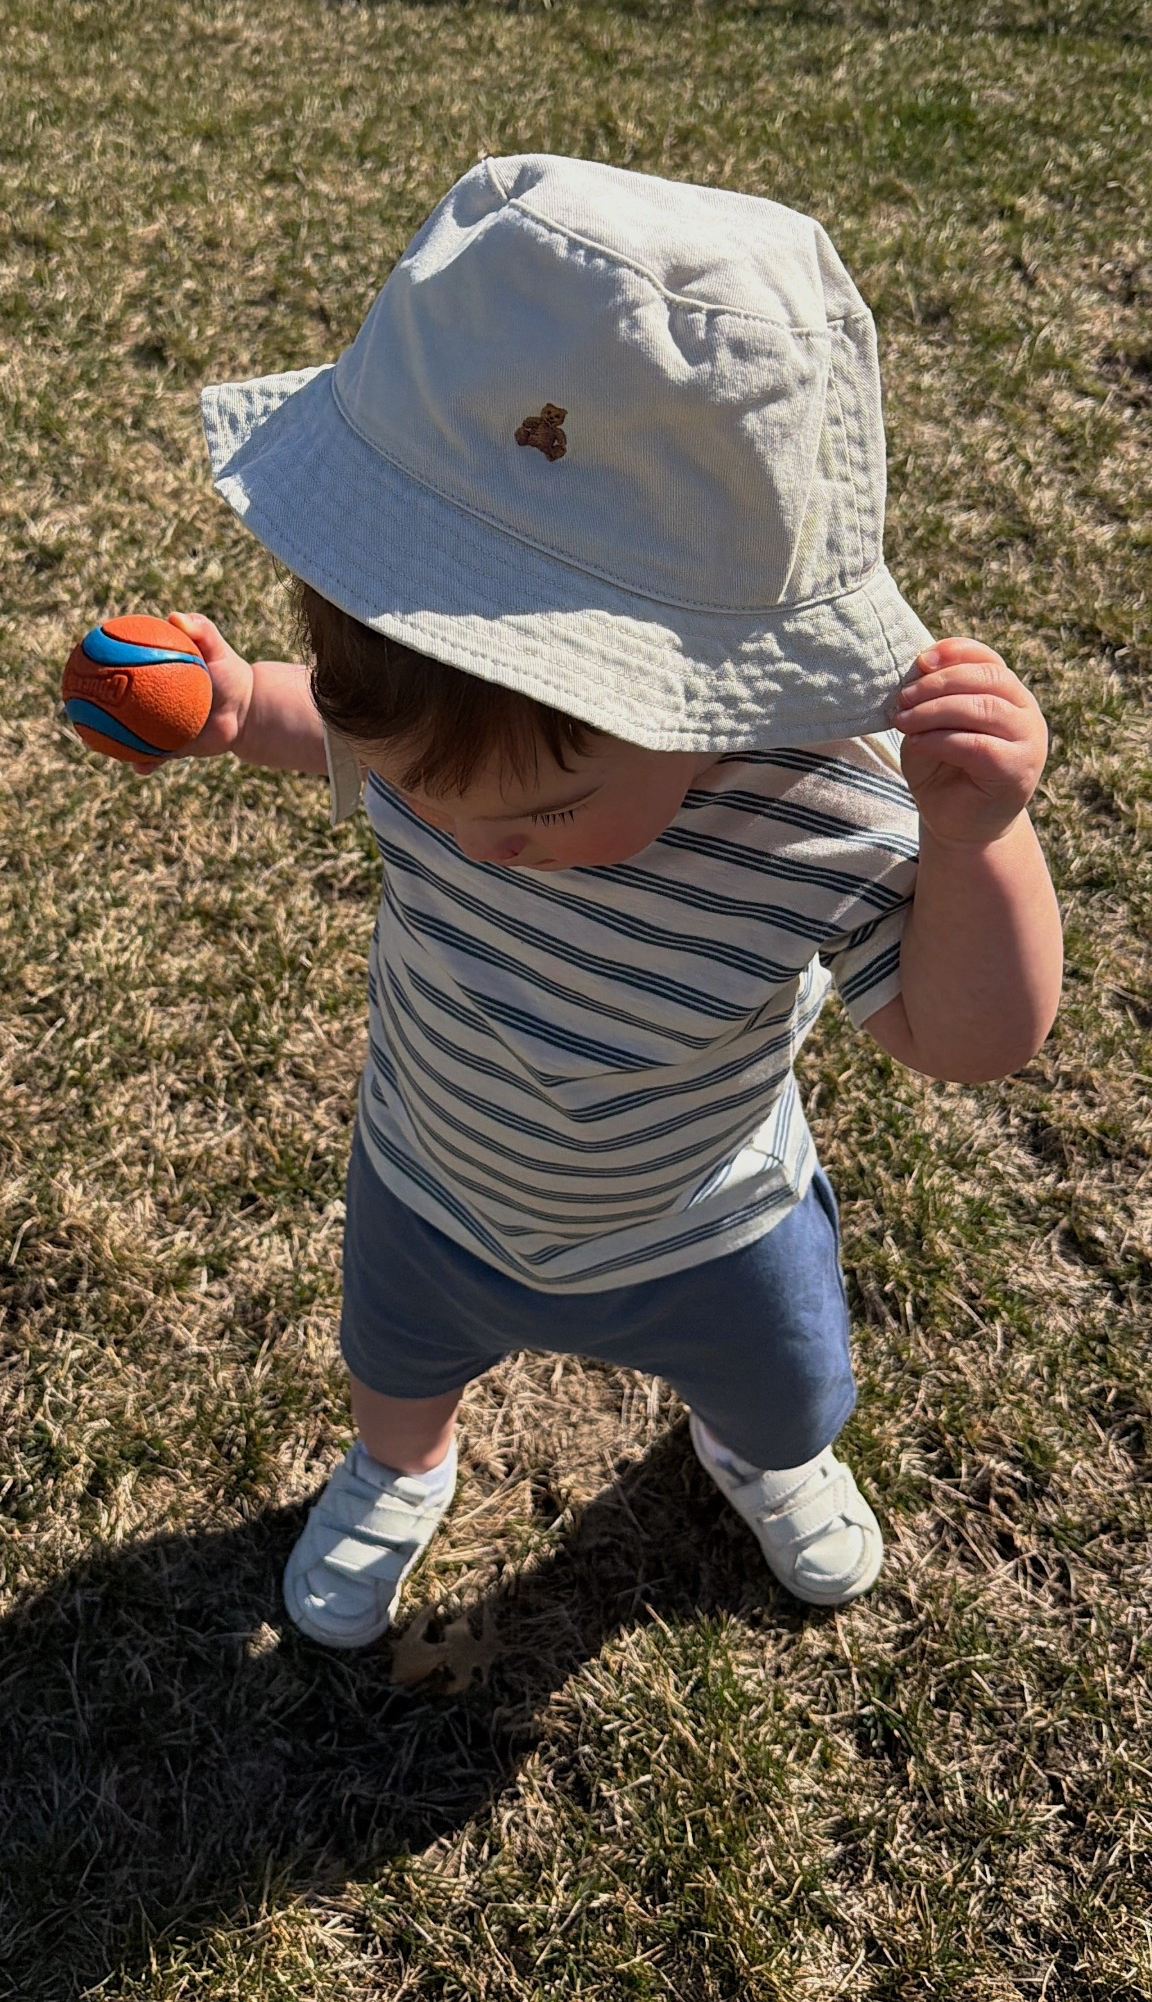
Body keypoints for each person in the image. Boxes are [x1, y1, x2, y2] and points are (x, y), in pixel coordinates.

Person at [129, 155, 1062, 1647]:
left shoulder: (817, 805)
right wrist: (239, 705)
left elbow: (970, 1040)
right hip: (434, 1175)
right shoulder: (424, 725)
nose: (466, 839)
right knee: (396, 1350)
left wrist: (980, 844)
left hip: (704, 1222)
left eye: (550, 811)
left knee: (783, 1377)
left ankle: (756, 1452)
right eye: (419, 789)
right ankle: (400, 1464)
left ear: (717, 700)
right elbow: (353, 730)